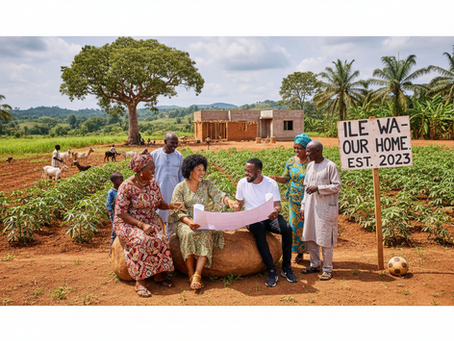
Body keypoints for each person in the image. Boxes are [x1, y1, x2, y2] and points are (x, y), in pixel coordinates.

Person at [114, 150, 184, 297]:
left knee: (161, 239)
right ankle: (140, 281)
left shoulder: (153, 183)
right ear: (140, 170)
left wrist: (171, 205)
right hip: (128, 222)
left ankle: (158, 274)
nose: (154, 171)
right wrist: (141, 225)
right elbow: (121, 212)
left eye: (154, 168)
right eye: (151, 169)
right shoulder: (126, 186)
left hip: (150, 220)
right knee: (141, 241)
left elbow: (159, 203)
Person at [169, 154, 236, 290]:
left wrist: (229, 201)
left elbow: (219, 195)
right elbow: (177, 211)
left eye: (203, 169)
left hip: (202, 221)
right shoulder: (180, 188)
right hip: (184, 221)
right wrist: (189, 222)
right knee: (188, 234)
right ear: (190, 171)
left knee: (206, 233)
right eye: (198, 169)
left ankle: (197, 275)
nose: (202, 173)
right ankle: (189, 272)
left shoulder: (207, 185)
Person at [233, 158, 297, 287]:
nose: (246, 173)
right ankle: (271, 270)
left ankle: (286, 267)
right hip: (252, 218)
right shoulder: (242, 183)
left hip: (269, 216)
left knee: (287, 229)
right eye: (245, 170)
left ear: (258, 171)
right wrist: (236, 219)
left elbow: (277, 204)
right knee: (258, 229)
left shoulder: (271, 183)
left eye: (249, 171)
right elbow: (239, 204)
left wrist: (276, 211)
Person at [299, 140, 341, 281]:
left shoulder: (330, 166)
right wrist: (303, 206)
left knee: (325, 239)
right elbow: (306, 189)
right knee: (311, 237)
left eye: (309, 151)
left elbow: (337, 186)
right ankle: (315, 264)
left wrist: (319, 188)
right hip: (311, 207)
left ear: (318, 151)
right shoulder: (309, 166)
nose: (307, 154)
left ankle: (327, 269)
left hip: (325, 209)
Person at [269, 133, 312, 264]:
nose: (296, 150)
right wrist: (276, 179)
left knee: (308, 225)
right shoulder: (290, 161)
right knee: (295, 226)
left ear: (306, 149)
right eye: (295, 148)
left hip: (309, 198)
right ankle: (299, 253)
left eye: (299, 148)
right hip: (293, 199)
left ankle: (312, 253)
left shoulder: (312, 163)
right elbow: (286, 178)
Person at [151, 132, 184, 239]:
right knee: (157, 223)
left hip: (173, 195)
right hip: (157, 195)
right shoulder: (154, 155)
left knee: (171, 225)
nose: (175, 145)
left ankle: (169, 249)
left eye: (176, 143)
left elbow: (181, 177)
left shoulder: (179, 156)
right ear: (165, 142)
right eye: (172, 143)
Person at [106, 172, 124, 251]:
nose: (121, 181)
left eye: (122, 180)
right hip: (114, 215)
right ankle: (112, 250)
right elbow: (108, 203)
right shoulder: (111, 192)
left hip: (122, 215)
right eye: (120, 180)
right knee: (114, 232)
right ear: (113, 181)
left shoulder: (122, 190)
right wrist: (111, 213)